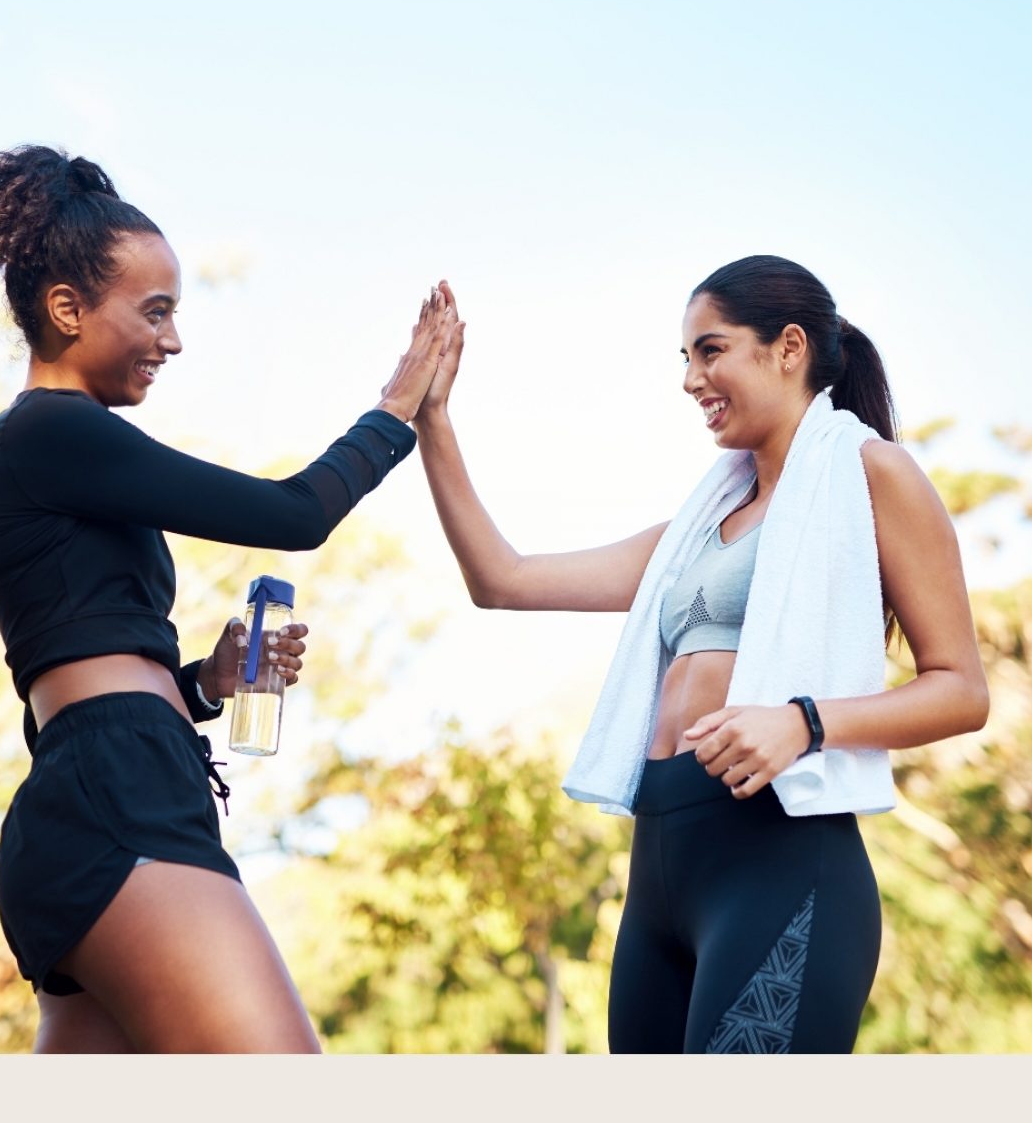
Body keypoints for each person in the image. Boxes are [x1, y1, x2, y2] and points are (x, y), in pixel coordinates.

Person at [412, 258, 989, 1053]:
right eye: (685, 358)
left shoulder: (870, 474)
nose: (691, 379)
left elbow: (962, 690)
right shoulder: (692, 531)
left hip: (781, 862)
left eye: (710, 351)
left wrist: (804, 722)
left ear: (789, 348)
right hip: (659, 868)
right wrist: (432, 422)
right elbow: (501, 580)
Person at [0, 144, 447, 1052]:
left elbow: (74, 675)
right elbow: (293, 513)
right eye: (156, 311)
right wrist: (394, 412)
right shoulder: (50, 431)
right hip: (118, 794)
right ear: (67, 309)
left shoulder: (48, 451)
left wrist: (207, 684)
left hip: (96, 789)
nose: (173, 341)